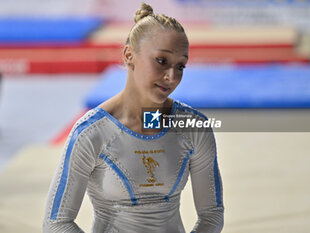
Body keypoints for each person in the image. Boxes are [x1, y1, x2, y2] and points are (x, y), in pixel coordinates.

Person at [43, 3, 224, 233]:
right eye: (161, 61)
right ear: (129, 55)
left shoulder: (193, 128)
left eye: (181, 66)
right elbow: (55, 223)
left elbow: (212, 214)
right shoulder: (92, 133)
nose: (172, 76)